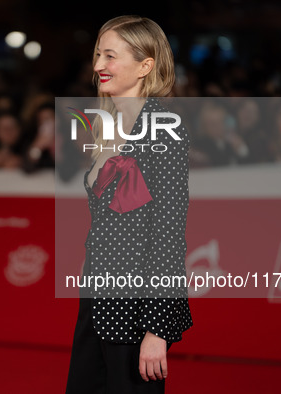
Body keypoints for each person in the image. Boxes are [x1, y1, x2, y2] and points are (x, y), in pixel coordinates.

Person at [65, 15, 193, 394]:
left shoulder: (165, 132)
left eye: (109, 56)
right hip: (95, 299)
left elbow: (168, 235)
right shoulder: (106, 126)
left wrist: (157, 330)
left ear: (145, 65)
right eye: (97, 55)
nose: (98, 65)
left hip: (137, 309)